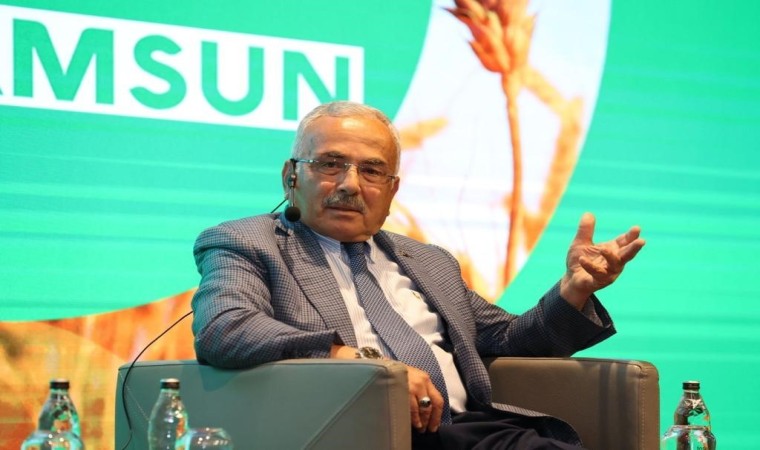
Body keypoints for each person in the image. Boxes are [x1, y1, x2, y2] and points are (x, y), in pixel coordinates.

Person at [191, 101, 645, 449]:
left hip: (467, 431)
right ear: (291, 176)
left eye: (372, 170)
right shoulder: (247, 242)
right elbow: (225, 328)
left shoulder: (428, 261)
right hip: (355, 432)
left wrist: (573, 291)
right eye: (330, 164)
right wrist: (368, 367)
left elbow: (509, 340)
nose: (350, 184)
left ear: (392, 190)